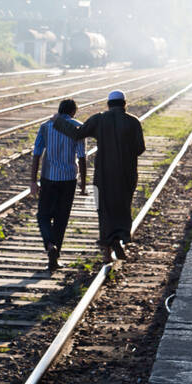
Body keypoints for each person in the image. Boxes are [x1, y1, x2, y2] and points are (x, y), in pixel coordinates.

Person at [52, 90, 146, 266]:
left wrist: (58, 121)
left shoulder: (99, 119)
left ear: (108, 104)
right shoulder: (133, 122)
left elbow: (78, 133)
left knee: (104, 209)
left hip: (104, 174)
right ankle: (120, 238)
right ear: (124, 104)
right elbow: (140, 148)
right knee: (122, 206)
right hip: (126, 174)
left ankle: (107, 252)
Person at [31, 97, 86, 273]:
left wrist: (33, 181)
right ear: (73, 112)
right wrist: (84, 184)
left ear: (59, 110)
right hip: (69, 179)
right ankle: (55, 256)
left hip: (49, 178)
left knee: (43, 215)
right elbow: (83, 157)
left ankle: (49, 245)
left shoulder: (46, 126)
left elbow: (36, 154)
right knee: (62, 218)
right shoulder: (78, 127)